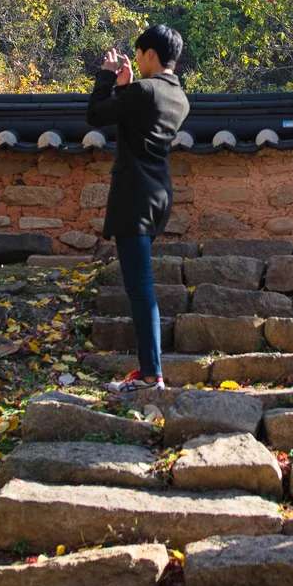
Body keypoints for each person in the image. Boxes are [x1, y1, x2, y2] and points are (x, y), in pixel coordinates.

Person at [87, 23, 190, 391]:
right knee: (140, 285)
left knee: (140, 288)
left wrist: (106, 75)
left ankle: (151, 374)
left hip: (134, 194)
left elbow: (97, 114)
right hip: (159, 193)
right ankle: (149, 371)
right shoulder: (179, 97)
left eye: (140, 54)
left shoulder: (144, 90)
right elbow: (136, 120)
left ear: (149, 54)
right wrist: (125, 87)